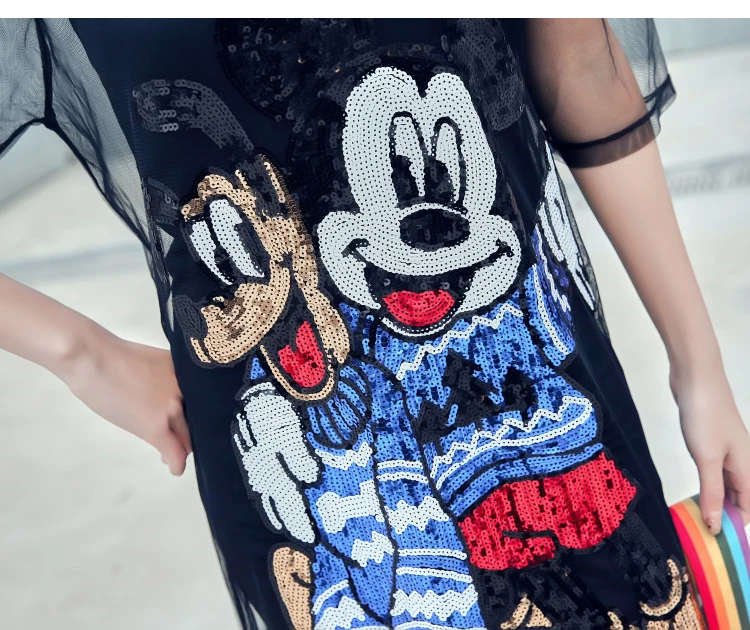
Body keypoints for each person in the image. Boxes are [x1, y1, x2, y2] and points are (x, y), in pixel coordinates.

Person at [1, 18, 747, 629]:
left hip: (542, 417)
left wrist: (698, 363)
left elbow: (580, 61)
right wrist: (79, 352)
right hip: (325, 474)